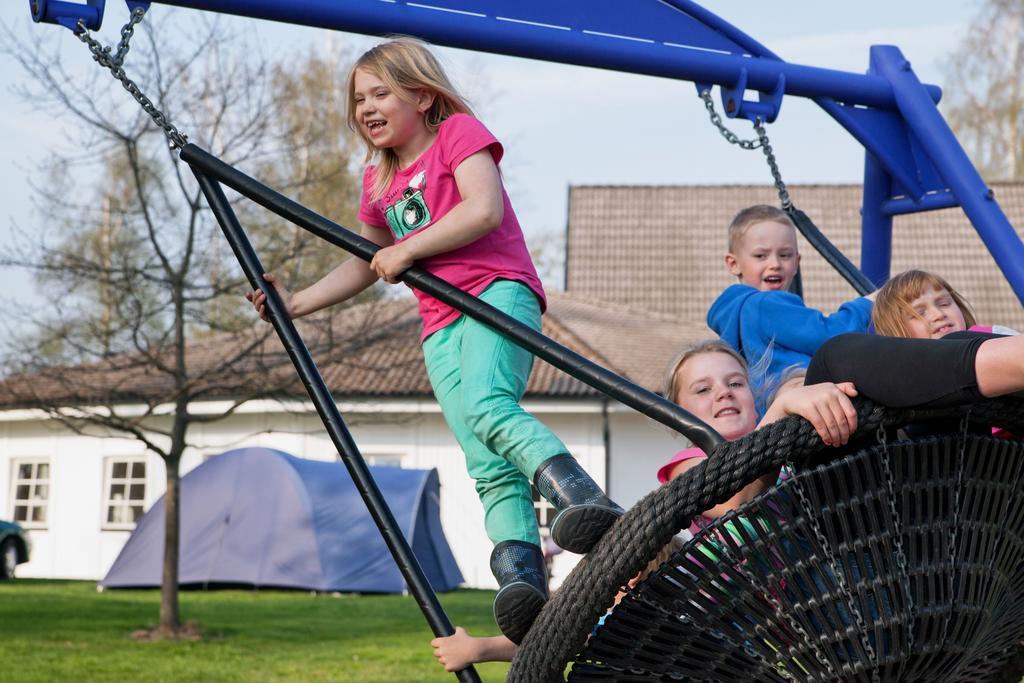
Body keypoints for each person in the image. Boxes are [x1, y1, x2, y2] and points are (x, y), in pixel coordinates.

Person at [246, 38, 620, 644]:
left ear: (421, 95)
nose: (367, 106)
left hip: (496, 291)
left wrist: (409, 248)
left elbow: (483, 210)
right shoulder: (378, 176)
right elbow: (368, 260)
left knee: (487, 405)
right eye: (358, 98)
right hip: (440, 323)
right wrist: (296, 304)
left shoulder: (459, 135)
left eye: (381, 93)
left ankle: (579, 496)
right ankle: (522, 573)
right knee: (484, 458)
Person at [430, 340, 860, 672]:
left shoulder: (786, 462)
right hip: (700, 603)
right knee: (603, 611)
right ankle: (485, 646)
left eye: (735, 383)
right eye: (703, 389)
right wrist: (783, 411)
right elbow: (737, 493)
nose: (723, 394)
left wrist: (802, 396)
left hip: (781, 610)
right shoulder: (688, 466)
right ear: (678, 413)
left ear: (752, 395)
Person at [707, 205, 876, 406]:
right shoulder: (764, 305)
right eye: (761, 256)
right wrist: (869, 303)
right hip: (803, 405)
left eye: (785, 255)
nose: (775, 263)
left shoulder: (733, 316)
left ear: (796, 262)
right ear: (733, 263)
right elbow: (829, 336)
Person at [871, 269, 1018, 339]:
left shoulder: (991, 335)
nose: (938, 315)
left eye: (944, 304)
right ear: (896, 332)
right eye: (919, 313)